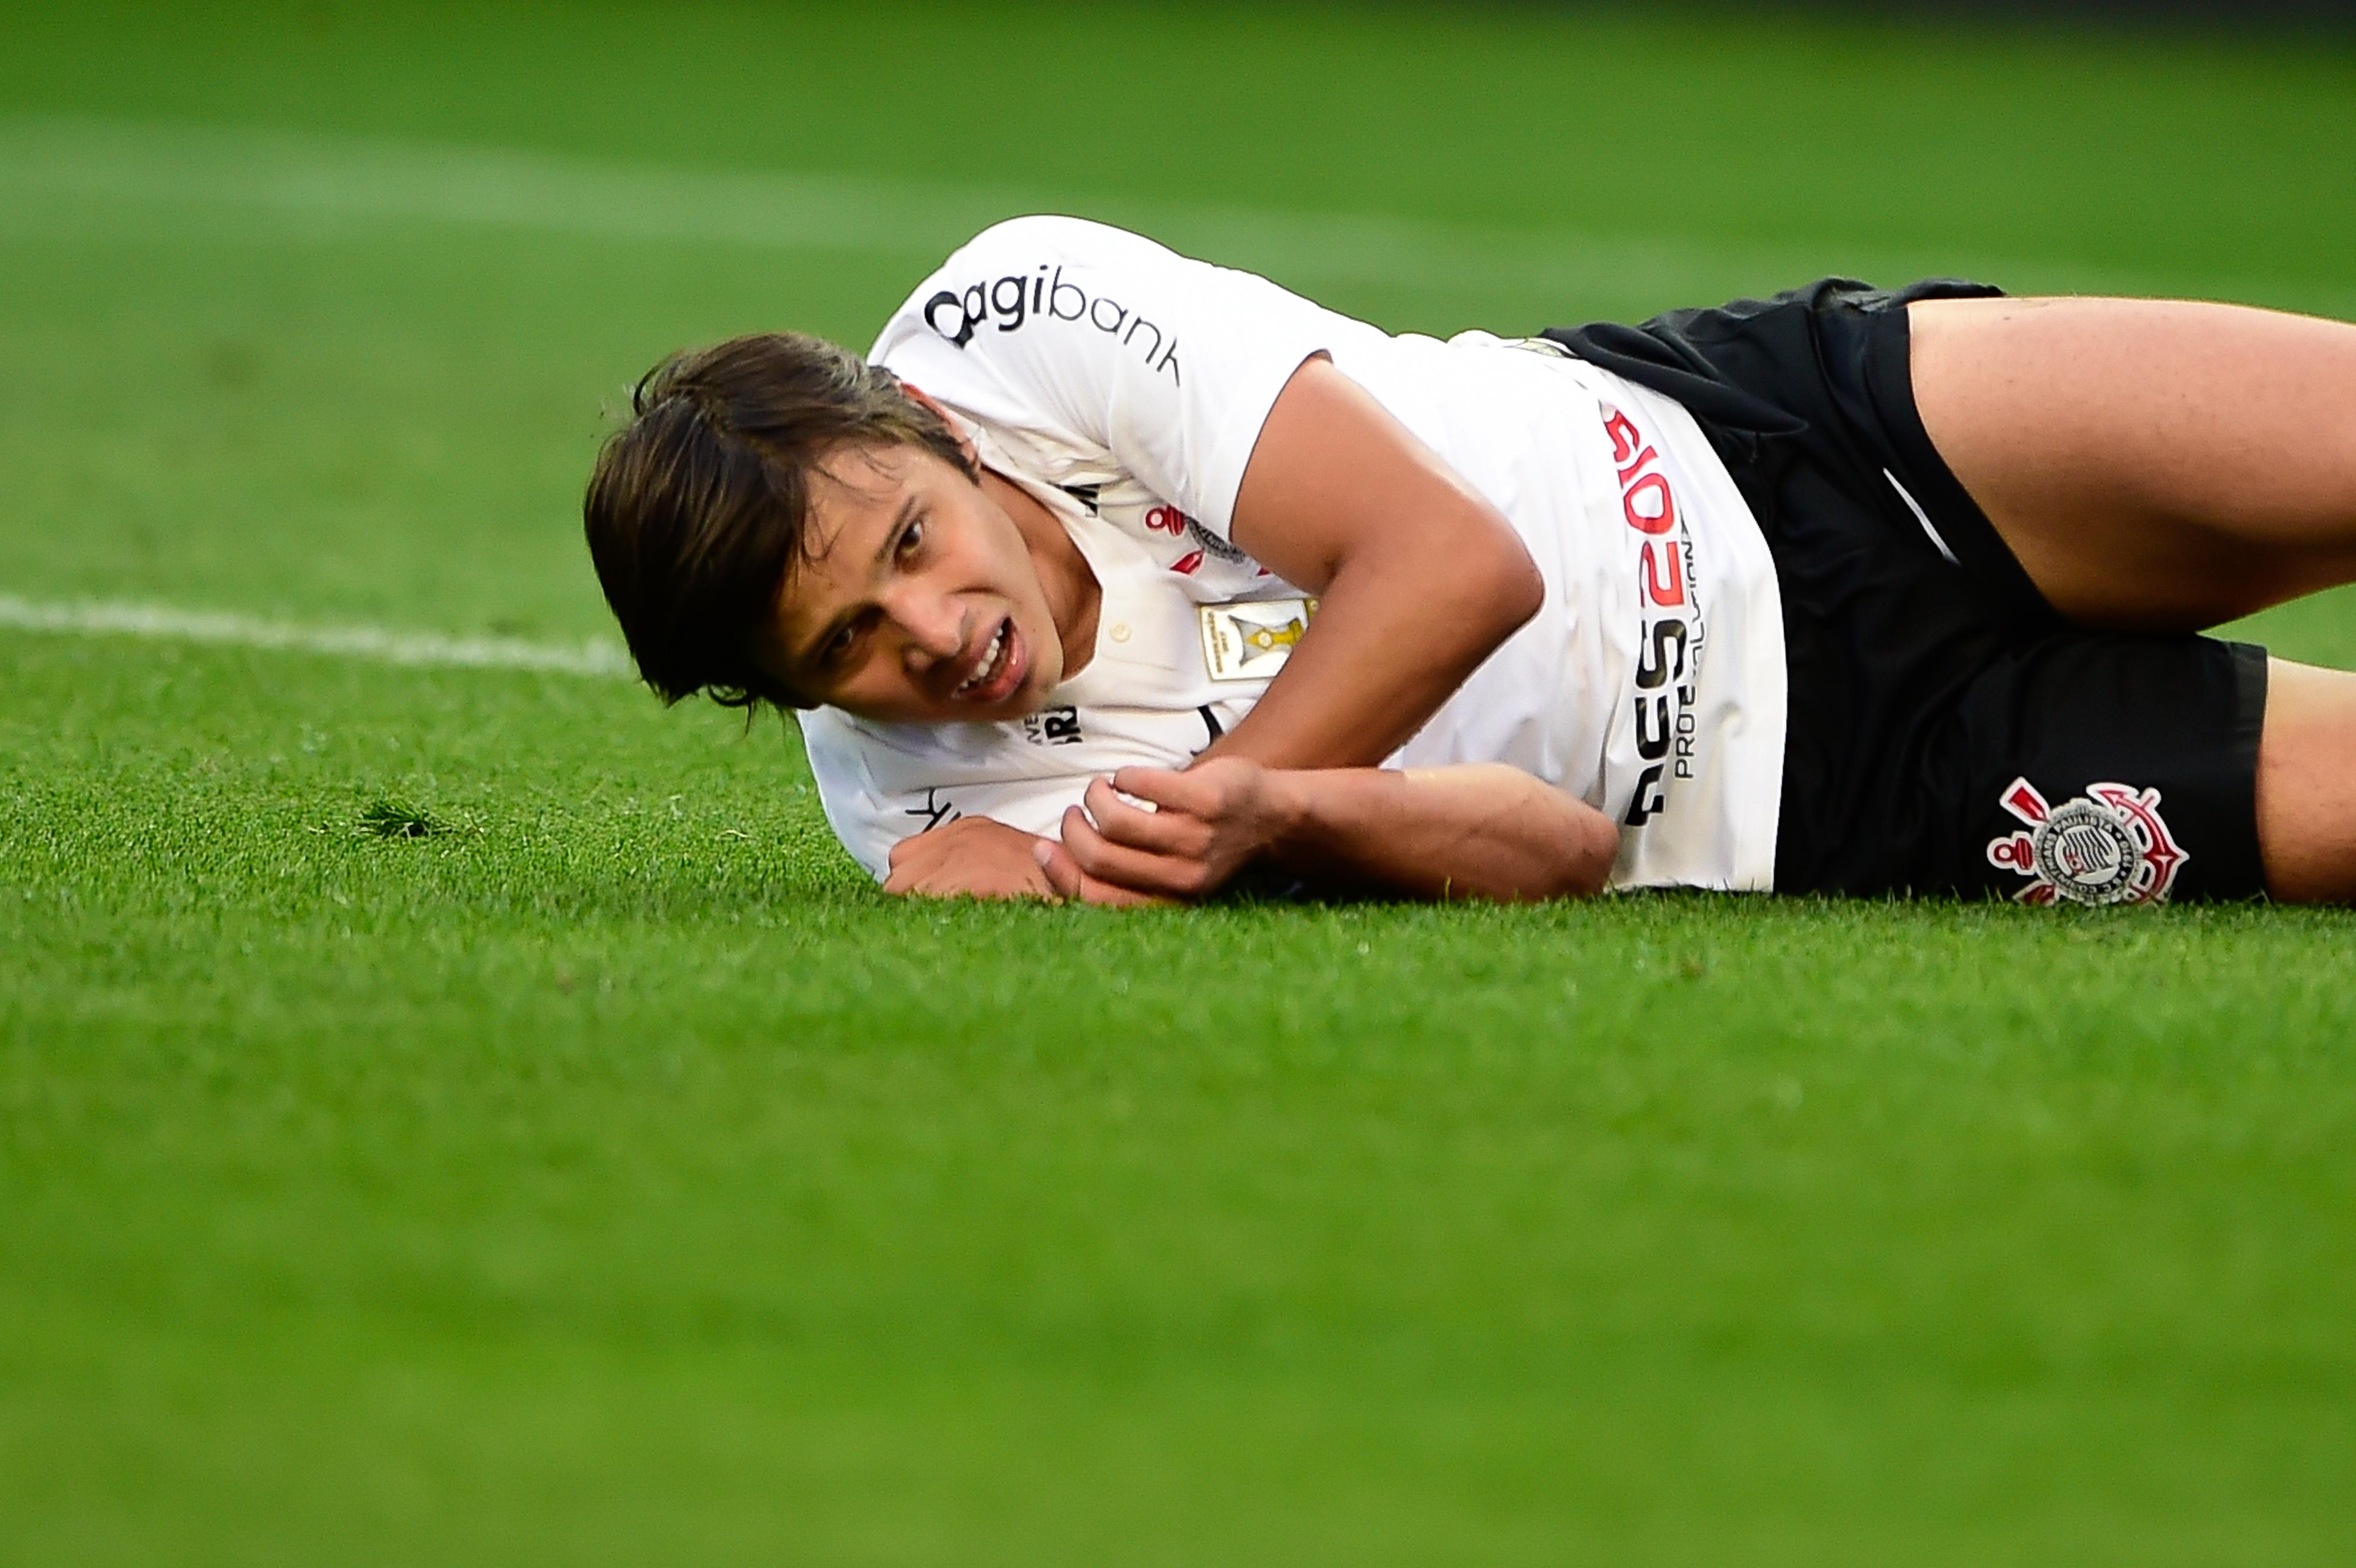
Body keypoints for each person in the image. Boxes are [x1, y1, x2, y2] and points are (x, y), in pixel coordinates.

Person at [583, 216, 2356, 907]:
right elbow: (1563, 850)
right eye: (846, 648)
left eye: (910, 541)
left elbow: (1453, 565)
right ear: (782, 697)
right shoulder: (938, 832)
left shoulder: (1017, 315)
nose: (934, 633)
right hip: (1829, 798)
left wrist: (1228, 800)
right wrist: (1282, 825)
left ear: (932, 428)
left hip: (1771, 441)